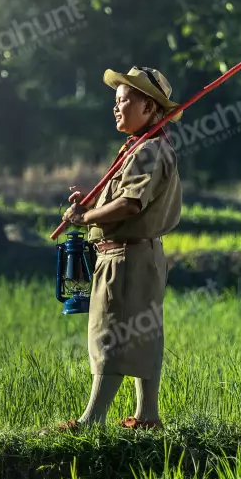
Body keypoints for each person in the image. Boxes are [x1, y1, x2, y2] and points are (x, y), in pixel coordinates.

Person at [56, 66, 183, 431]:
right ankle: (148, 416)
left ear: (148, 107)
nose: (116, 108)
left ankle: (91, 420)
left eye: (124, 100)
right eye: (116, 101)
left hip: (127, 255)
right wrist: (91, 209)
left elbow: (130, 205)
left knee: (113, 332)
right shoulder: (140, 148)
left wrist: (86, 217)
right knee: (142, 331)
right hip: (134, 254)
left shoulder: (148, 151)